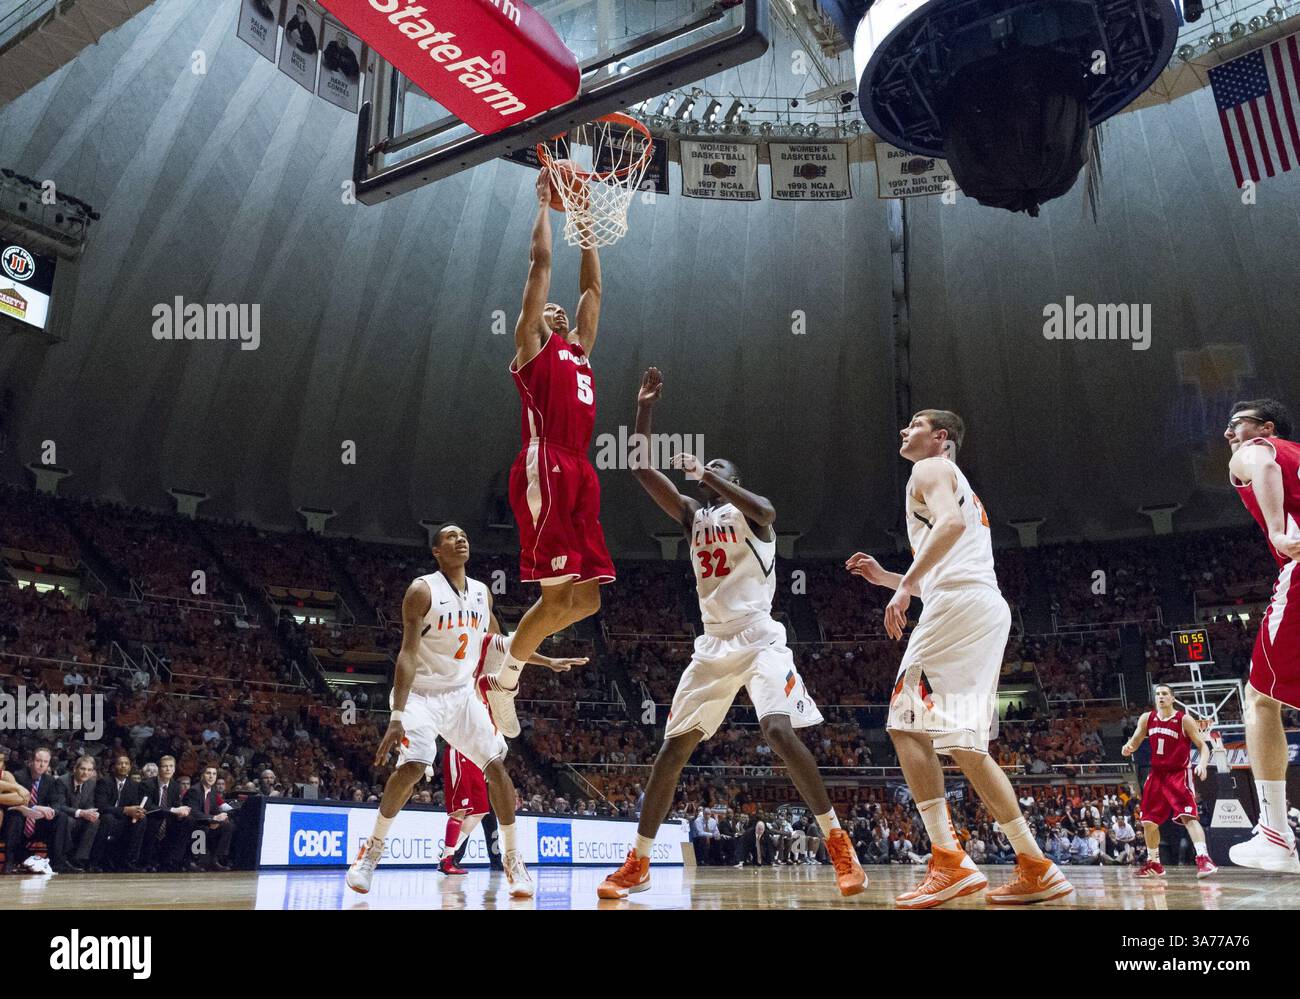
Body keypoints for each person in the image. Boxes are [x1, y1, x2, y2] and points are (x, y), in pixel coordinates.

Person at [596, 368, 865, 900]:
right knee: (671, 751)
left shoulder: (754, 517)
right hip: (713, 644)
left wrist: (707, 472)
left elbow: (766, 508)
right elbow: (640, 467)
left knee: (777, 732)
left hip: (761, 637)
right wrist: (645, 409)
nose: (709, 470)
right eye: (709, 466)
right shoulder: (693, 514)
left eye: (721, 468)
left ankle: (838, 842)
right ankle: (640, 861)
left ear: (731, 479)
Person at [846, 410, 1072, 908]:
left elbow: (947, 527)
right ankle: (1036, 865)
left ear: (940, 437)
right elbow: (952, 562)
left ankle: (948, 861)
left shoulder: (929, 469)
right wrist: (890, 578)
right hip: (981, 606)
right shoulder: (960, 483)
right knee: (966, 747)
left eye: (914, 424)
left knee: (906, 725)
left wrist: (902, 588)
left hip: (959, 606)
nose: (904, 430)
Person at [346, 525, 584, 898]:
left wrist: (545, 660)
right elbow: (407, 653)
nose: (461, 539)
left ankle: (512, 858)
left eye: (463, 535)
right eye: (451, 537)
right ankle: (371, 850)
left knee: (496, 767)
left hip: (460, 696)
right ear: (436, 551)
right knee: (412, 765)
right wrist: (397, 713)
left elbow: (500, 642)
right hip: (421, 696)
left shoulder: (482, 593)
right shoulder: (422, 590)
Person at [478, 169, 613, 738]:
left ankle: (509, 651)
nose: (559, 309)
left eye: (564, 310)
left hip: (580, 469)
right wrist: (545, 209)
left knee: (585, 604)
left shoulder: (580, 351)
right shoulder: (532, 348)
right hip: (546, 463)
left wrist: (586, 223)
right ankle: (503, 680)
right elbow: (540, 268)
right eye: (549, 309)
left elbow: (593, 292)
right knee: (556, 594)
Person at [1224, 398, 1300, 873]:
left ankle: (1275, 834)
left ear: (1265, 427)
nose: (1230, 435)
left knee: (1261, 699)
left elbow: (1263, 463)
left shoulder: (1259, 448)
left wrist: (1275, 529)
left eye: (1237, 425)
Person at [1120, 684, 1217, 878]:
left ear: (1172, 698)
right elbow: (1137, 739)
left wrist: (1203, 764)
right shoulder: (1147, 718)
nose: (1160, 697)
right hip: (1156, 774)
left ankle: (1204, 859)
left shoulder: (1184, 719)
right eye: (1157, 694)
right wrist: (1128, 746)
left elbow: (1203, 746)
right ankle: (1154, 863)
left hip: (1178, 773)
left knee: (1188, 816)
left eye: (1164, 694)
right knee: (1148, 821)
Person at [438, 744, 490, 876]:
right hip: (459, 750)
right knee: (459, 811)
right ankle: (447, 859)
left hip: (477, 757)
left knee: (481, 810)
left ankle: (447, 853)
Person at [92, 753, 148, 871]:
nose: (123, 766)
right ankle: (95, 862)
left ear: (130, 767)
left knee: (142, 820)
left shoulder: (133, 785)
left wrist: (137, 811)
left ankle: (129, 861)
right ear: (113, 767)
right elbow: (101, 806)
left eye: (126, 764)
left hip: (123, 820)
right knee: (108, 818)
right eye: (120, 763)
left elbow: (134, 805)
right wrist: (125, 810)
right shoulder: (104, 782)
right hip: (107, 817)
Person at [52, 755, 99, 873]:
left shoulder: (91, 784)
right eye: (83, 769)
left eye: (89, 770)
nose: (85, 773)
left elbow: (90, 803)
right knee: (68, 820)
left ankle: (79, 859)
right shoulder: (62, 781)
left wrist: (91, 812)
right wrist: (80, 812)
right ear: (75, 769)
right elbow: (59, 806)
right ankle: (64, 858)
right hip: (62, 817)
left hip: (80, 818)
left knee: (95, 821)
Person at [183, 764, 234, 871]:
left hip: (208, 822)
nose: (211, 776)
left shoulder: (213, 792)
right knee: (202, 828)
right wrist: (213, 818)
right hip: (194, 823)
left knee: (227, 826)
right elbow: (194, 812)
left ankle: (215, 859)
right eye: (208, 773)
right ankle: (193, 860)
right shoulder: (194, 790)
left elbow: (214, 810)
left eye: (214, 774)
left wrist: (219, 819)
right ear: (202, 776)